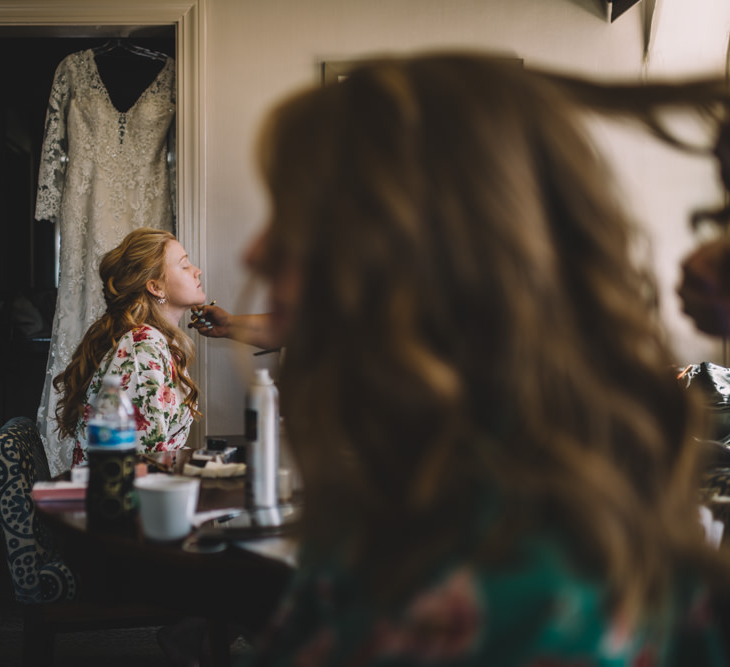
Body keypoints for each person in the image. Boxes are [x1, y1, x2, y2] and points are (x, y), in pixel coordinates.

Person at [229, 54, 730, 665]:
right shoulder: (427, 491)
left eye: (295, 217)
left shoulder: (505, 608)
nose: (254, 253)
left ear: (429, 259)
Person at [53, 227, 206, 468]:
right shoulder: (142, 348)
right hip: (120, 498)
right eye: (185, 265)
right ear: (156, 287)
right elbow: (146, 460)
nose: (197, 271)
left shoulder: (157, 341)